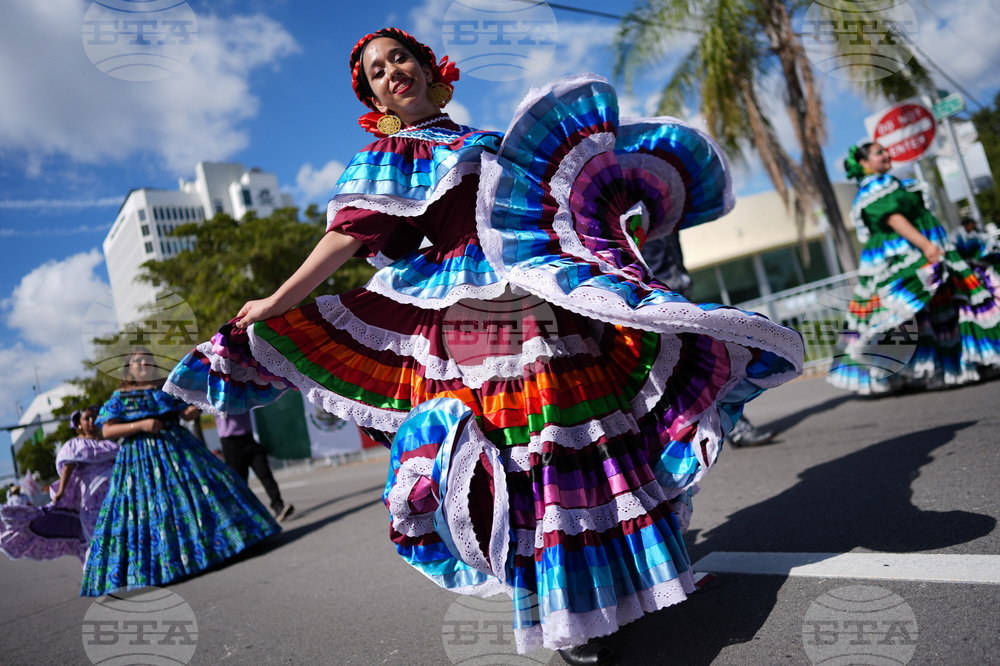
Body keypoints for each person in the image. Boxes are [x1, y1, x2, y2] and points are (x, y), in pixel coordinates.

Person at [166, 28, 803, 664]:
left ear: (427, 67)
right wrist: (277, 301)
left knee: (590, 434)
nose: (393, 72)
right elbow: (350, 238)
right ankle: (562, 605)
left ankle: (637, 579)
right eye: (377, 70)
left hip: (540, 287)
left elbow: (561, 204)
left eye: (400, 58)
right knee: (520, 446)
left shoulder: (489, 142)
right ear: (375, 96)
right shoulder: (390, 155)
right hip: (471, 311)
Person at [80, 347, 281, 597]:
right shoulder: (119, 396)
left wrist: (199, 402)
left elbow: (185, 412)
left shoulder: (166, 386)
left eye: (148, 359)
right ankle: (159, 568)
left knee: (203, 494)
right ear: (128, 368)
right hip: (139, 460)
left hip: (180, 450)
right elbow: (107, 430)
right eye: (137, 361)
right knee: (151, 511)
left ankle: (218, 547)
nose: (143, 363)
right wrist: (141, 424)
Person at [827, 143, 1000, 394]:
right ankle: (916, 370)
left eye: (885, 151)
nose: (887, 154)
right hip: (906, 253)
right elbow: (894, 219)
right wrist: (926, 246)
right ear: (863, 163)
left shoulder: (892, 183)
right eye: (879, 153)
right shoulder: (875, 188)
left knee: (945, 307)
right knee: (906, 313)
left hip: (925, 247)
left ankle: (955, 364)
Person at [641, 235, 777, 448]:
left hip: (679, 301)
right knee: (690, 372)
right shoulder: (632, 215)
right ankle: (717, 433)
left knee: (709, 365)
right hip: (658, 308)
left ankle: (730, 428)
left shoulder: (663, 209)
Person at [0, 407, 119, 565]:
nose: (91, 421)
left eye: (94, 418)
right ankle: (100, 574)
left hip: (115, 495)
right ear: (79, 424)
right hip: (91, 500)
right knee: (97, 533)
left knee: (118, 529)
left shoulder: (108, 444)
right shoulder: (75, 444)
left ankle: (123, 570)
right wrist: (61, 491)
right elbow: (68, 466)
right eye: (87, 418)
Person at [216, 411, 294, 523]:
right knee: (240, 482)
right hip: (230, 442)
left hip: (249, 437)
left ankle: (278, 506)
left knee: (265, 473)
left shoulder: (244, 393)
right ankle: (246, 515)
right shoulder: (216, 395)